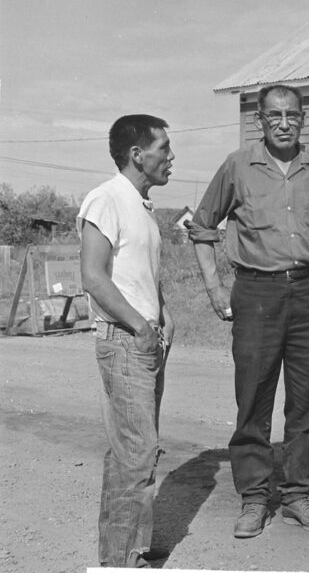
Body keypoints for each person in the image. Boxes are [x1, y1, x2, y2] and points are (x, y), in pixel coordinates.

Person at [188, 84, 309, 539]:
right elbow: (201, 226)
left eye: (293, 115)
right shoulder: (238, 165)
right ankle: (254, 497)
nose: (284, 123)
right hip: (255, 292)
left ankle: (295, 494)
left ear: (303, 119)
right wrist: (215, 287)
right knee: (253, 395)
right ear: (260, 119)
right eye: (275, 115)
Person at [78, 114, 175, 568]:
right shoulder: (106, 199)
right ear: (137, 154)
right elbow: (94, 279)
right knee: (136, 454)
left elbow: (140, 277)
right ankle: (121, 561)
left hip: (143, 339)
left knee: (134, 454)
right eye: (163, 149)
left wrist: (164, 315)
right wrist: (140, 326)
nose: (170, 159)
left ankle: (124, 554)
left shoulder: (141, 206)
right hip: (123, 340)